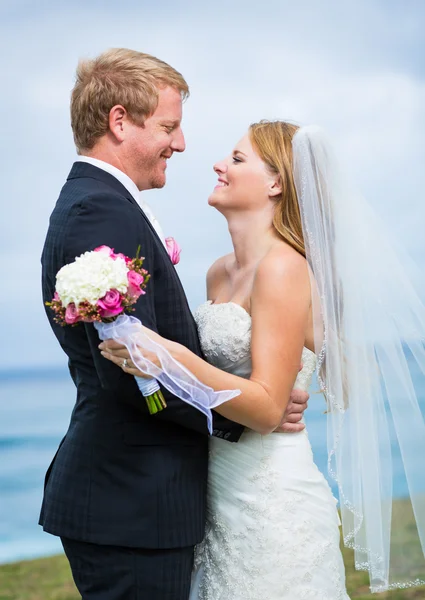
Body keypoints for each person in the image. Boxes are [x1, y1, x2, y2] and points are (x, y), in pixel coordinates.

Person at [101, 120, 425, 597]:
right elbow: (236, 387)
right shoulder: (218, 273)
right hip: (216, 493)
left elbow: (269, 409)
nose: (217, 164)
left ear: (276, 182)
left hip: (272, 501)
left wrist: (167, 357)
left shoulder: (284, 267)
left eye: (236, 158)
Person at [40, 49, 309, 600]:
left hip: (149, 501)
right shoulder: (102, 211)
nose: (182, 144)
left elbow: (156, 354)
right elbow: (132, 370)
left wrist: (257, 392)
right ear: (120, 122)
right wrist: (252, 414)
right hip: (133, 502)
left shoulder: (102, 204)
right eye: (169, 126)